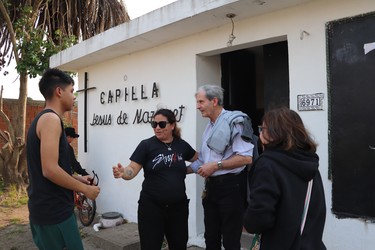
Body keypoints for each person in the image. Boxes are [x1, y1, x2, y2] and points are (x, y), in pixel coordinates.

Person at [26, 68, 100, 250]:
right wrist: (84, 189)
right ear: (59, 91)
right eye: (72, 91)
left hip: (50, 211)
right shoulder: (50, 119)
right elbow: (49, 170)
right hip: (53, 212)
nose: (74, 97)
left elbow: (52, 167)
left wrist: (77, 178)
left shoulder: (44, 119)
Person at [112, 108, 198, 249]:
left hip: (178, 209)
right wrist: (123, 173)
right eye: (154, 124)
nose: (157, 128)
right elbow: (132, 169)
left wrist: (189, 169)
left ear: (172, 125)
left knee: (179, 245)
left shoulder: (181, 145)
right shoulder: (146, 145)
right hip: (152, 208)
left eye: (161, 124)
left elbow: (199, 159)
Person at [243, 107, 326, 250]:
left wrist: (247, 221)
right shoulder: (310, 162)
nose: (260, 133)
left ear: (275, 133)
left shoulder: (267, 164)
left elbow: (259, 218)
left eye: (263, 129)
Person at [189, 85, 254, 250]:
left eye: (201, 102)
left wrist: (216, 166)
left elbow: (246, 157)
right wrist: (179, 170)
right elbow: (204, 160)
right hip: (212, 189)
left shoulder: (234, 122)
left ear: (215, 101)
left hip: (231, 188)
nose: (198, 106)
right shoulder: (210, 126)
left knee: (231, 240)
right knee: (211, 238)